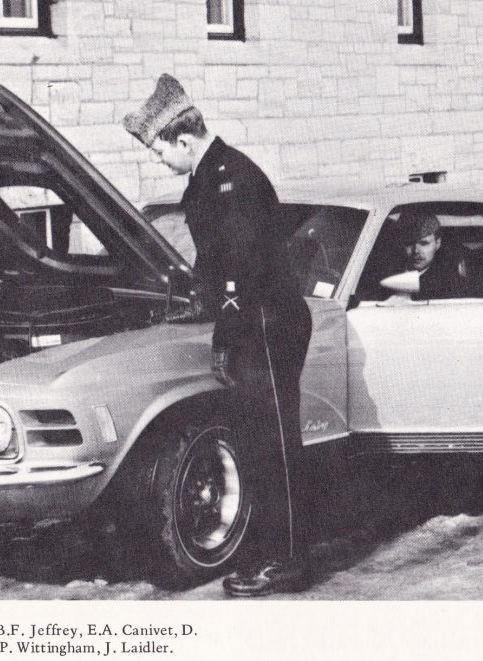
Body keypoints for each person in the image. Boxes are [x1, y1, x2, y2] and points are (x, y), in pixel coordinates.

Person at [123, 74, 313, 597]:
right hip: (254, 321)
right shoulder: (209, 177)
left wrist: (227, 331)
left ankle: (287, 560)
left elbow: (240, 268)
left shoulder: (234, 179)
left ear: (183, 139)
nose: (159, 160)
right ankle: (274, 550)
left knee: (274, 443)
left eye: (160, 151)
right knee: (257, 440)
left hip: (266, 323)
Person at [392, 210, 475, 300]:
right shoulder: (387, 274)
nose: (416, 250)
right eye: (409, 243)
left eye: (424, 243)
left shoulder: (451, 285)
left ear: (437, 243)